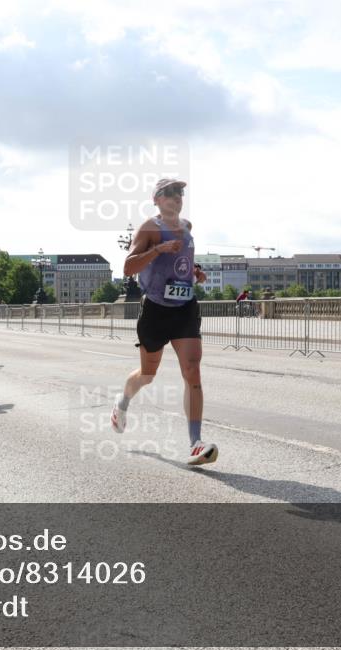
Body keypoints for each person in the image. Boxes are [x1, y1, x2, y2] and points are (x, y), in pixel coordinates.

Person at [109, 178, 216, 466]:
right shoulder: (149, 228)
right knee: (147, 373)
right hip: (155, 309)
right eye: (169, 193)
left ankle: (195, 443)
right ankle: (122, 403)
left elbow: (181, 261)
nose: (176, 197)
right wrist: (157, 250)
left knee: (192, 371)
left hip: (184, 307)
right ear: (156, 199)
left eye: (179, 192)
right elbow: (128, 267)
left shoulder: (187, 227)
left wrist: (194, 272)